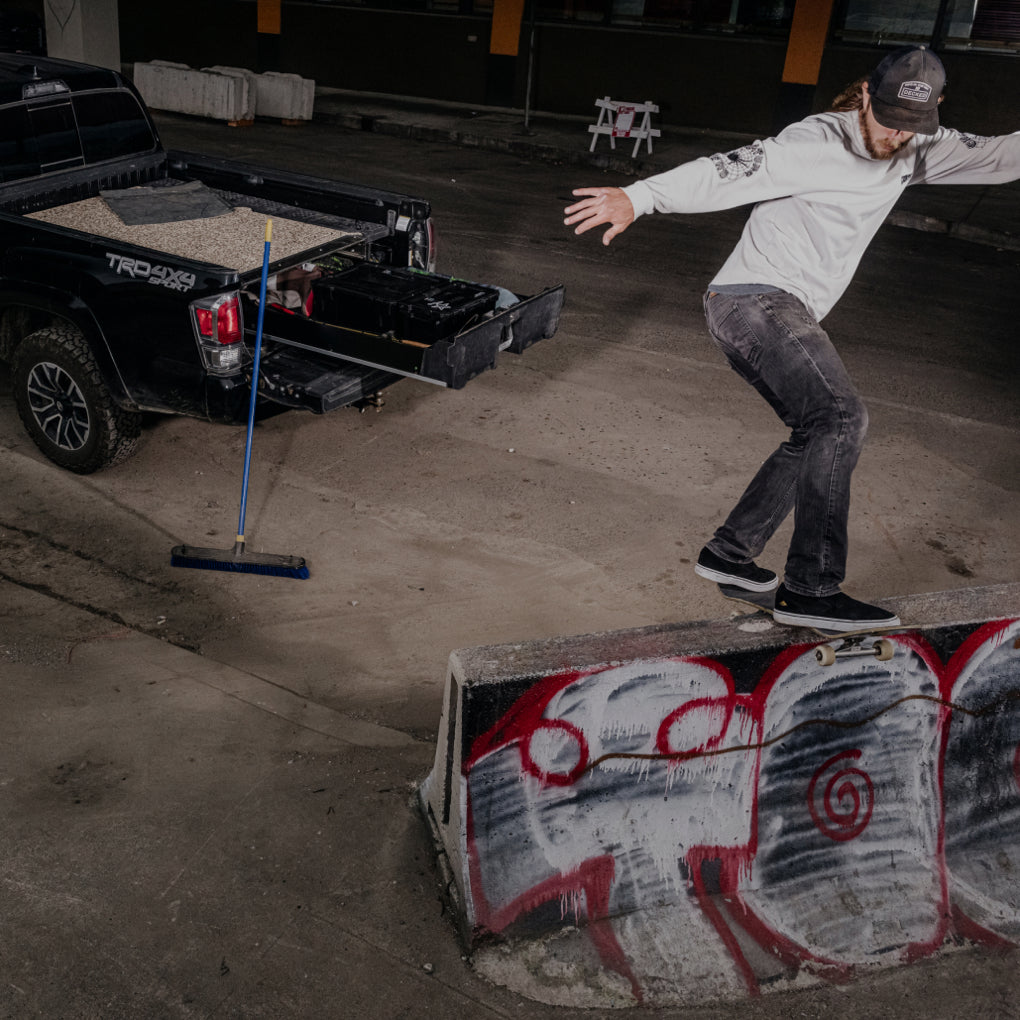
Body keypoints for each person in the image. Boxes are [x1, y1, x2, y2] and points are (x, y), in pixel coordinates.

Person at [563, 45, 1019, 632]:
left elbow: (1003, 155)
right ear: (863, 96)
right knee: (842, 419)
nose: (896, 138)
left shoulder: (919, 146)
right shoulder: (816, 142)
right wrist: (640, 197)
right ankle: (811, 588)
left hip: (776, 309)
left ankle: (729, 553)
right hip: (751, 300)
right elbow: (728, 171)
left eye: (911, 127)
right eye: (887, 121)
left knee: (814, 433)